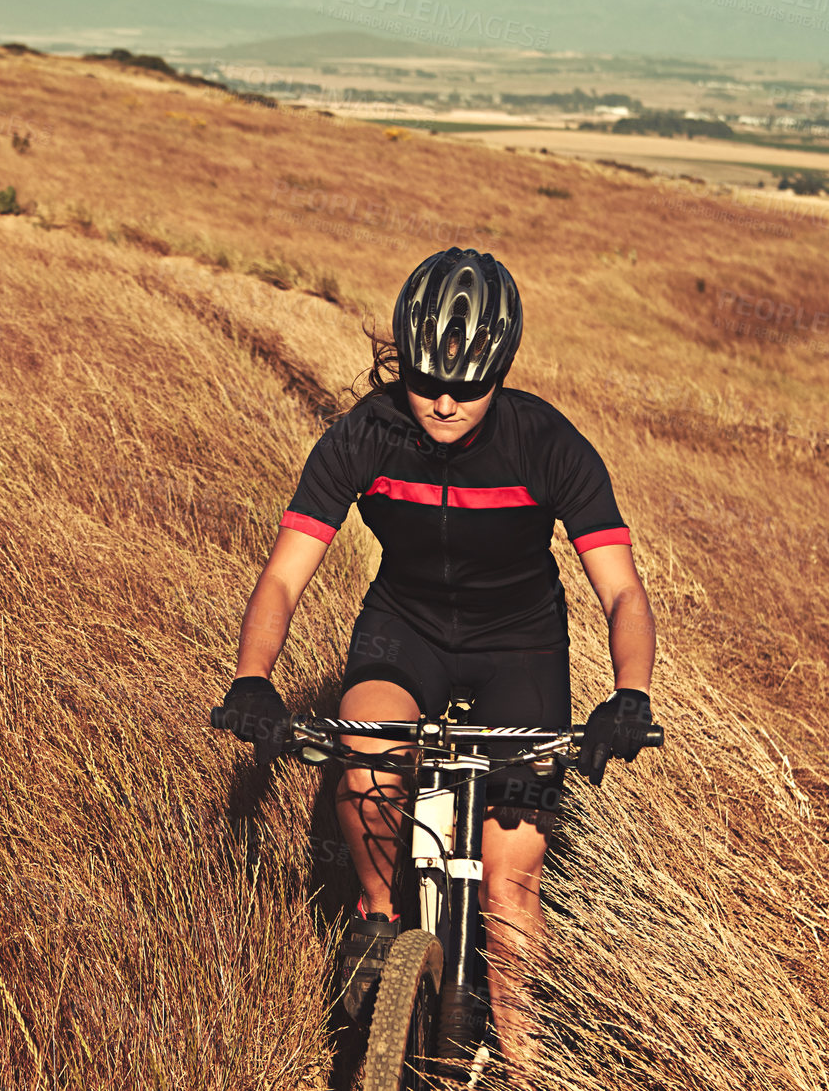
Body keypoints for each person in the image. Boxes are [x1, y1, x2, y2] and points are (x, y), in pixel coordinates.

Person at [215, 247, 657, 1057]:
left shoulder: (547, 444)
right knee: (364, 748)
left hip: (520, 645)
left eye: (469, 385)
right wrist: (253, 679)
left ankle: (524, 1065)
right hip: (405, 628)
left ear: (503, 370)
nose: (446, 402)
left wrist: (629, 694)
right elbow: (282, 576)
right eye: (427, 382)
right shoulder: (366, 436)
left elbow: (623, 591)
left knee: (509, 885)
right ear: (402, 363)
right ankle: (378, 918)